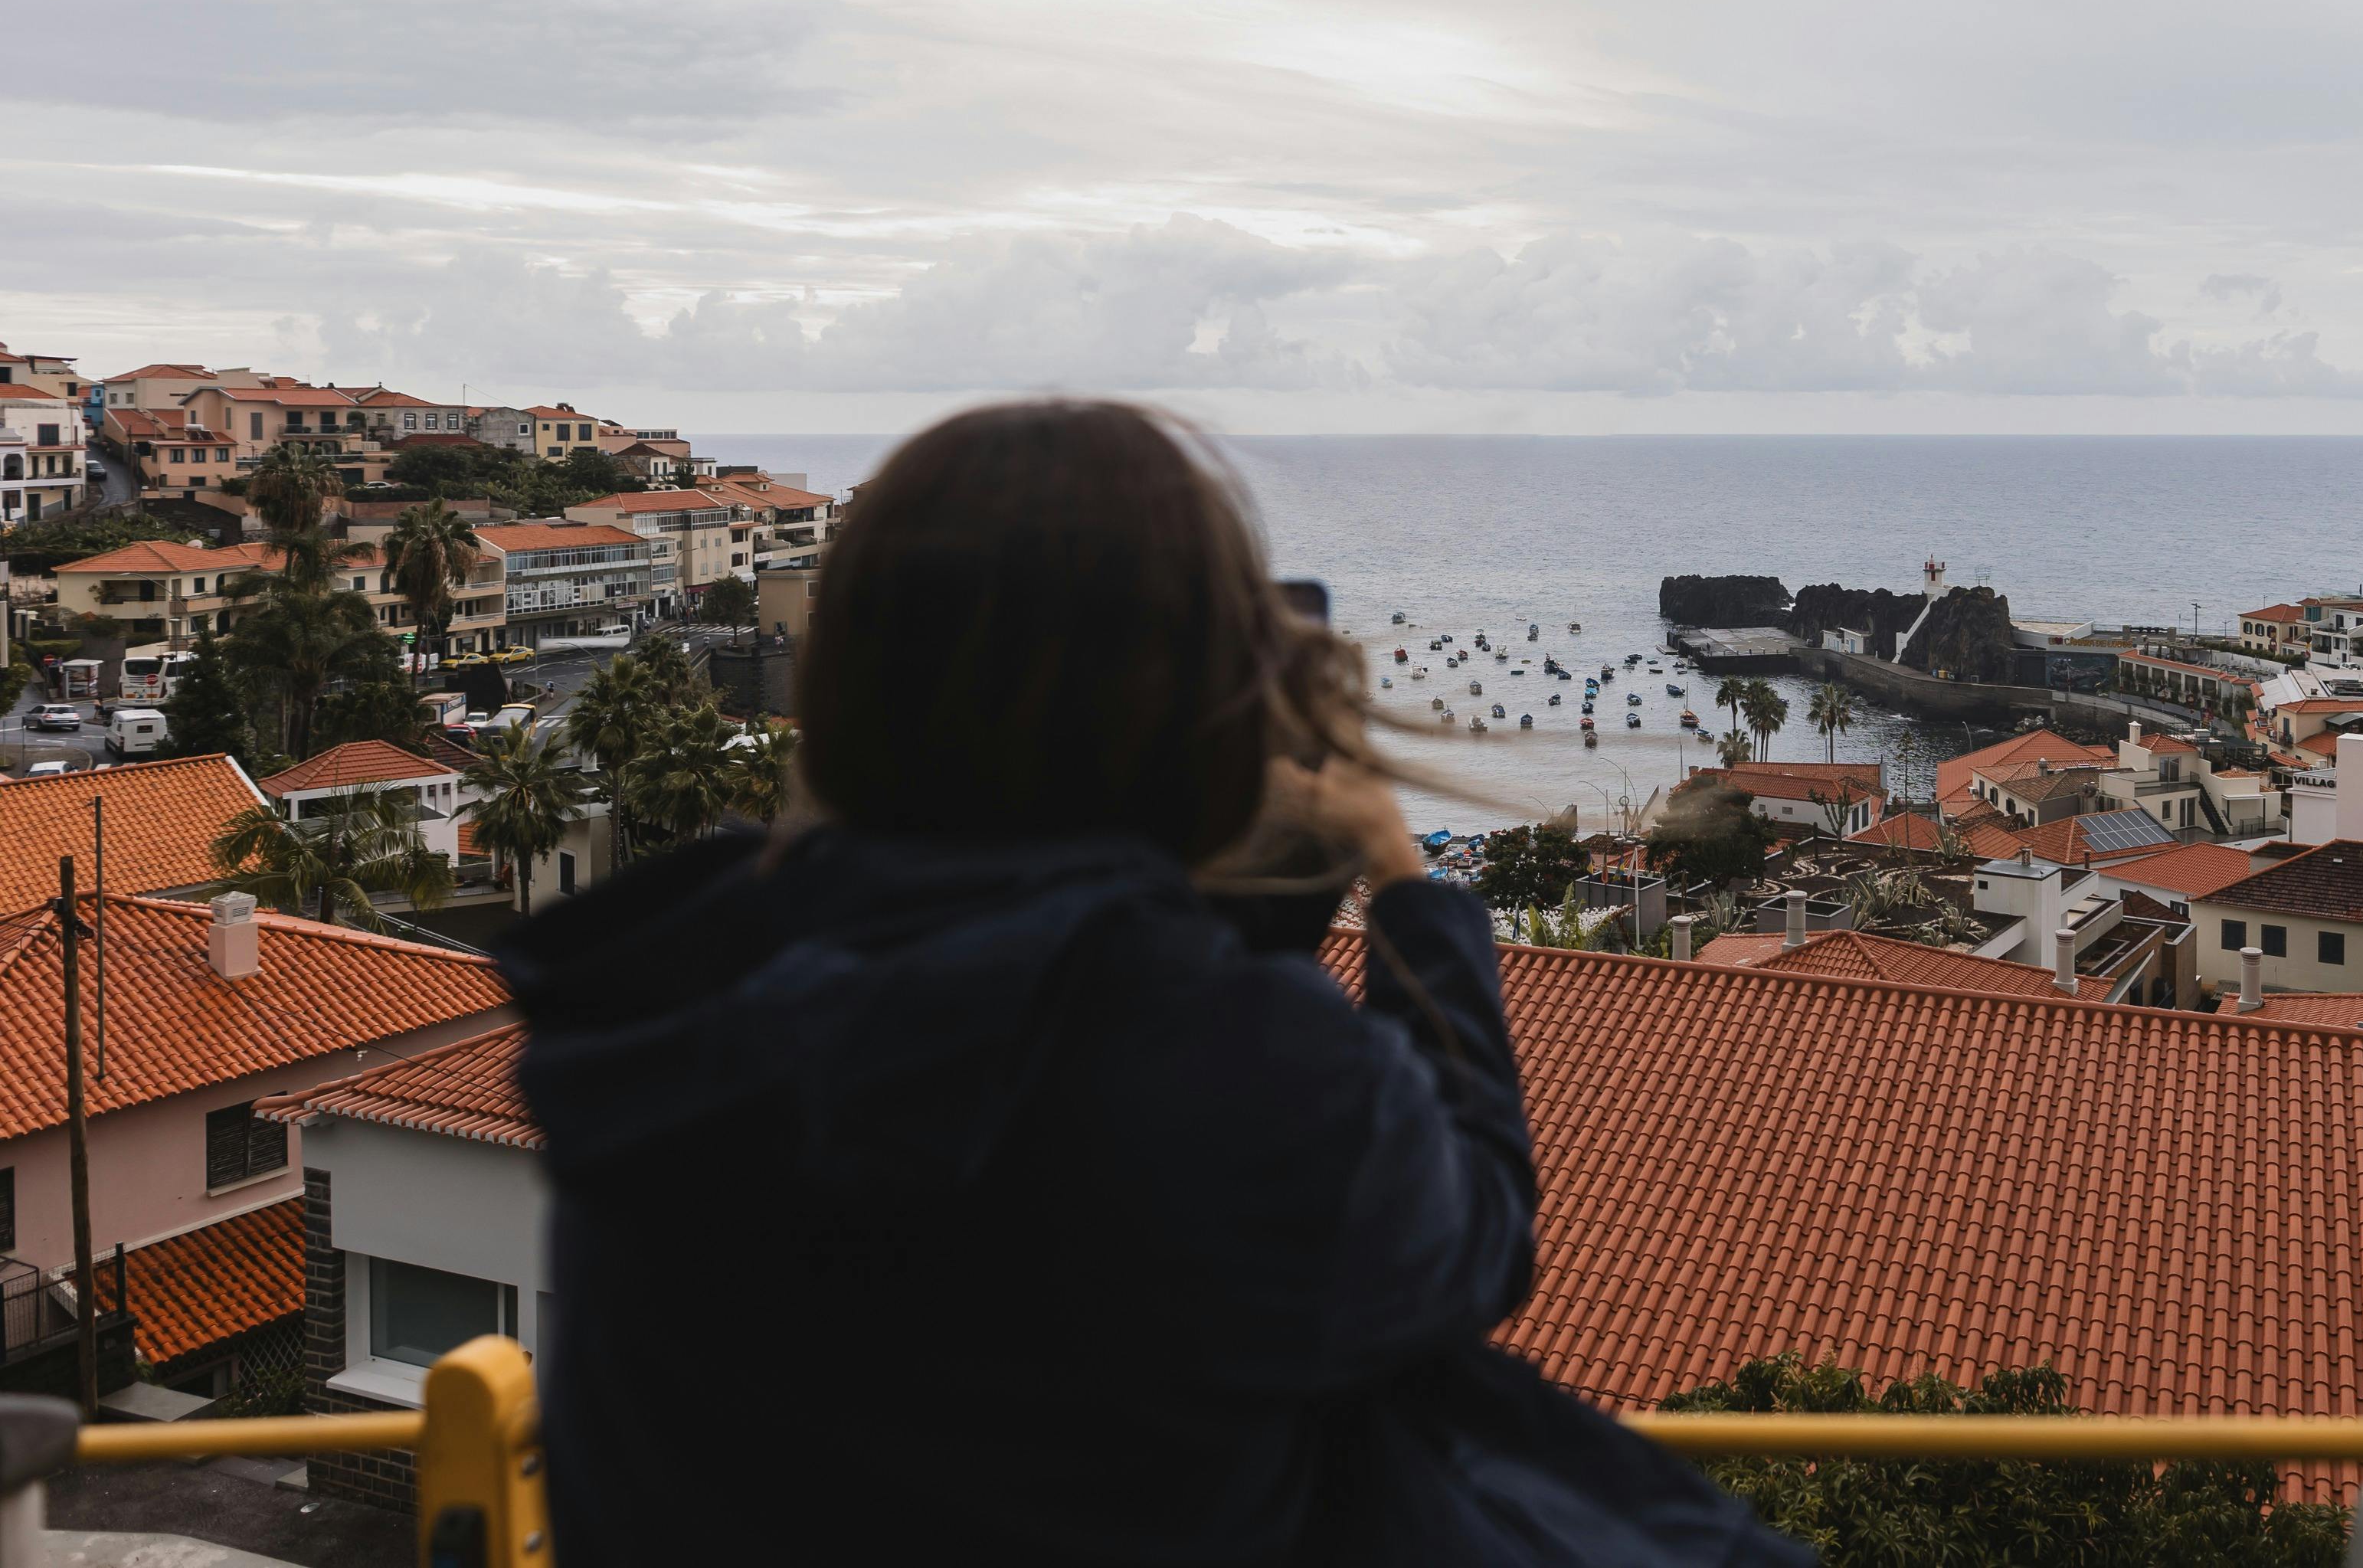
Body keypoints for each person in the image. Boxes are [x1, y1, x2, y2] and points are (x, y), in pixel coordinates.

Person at [503, 401, 1806, 1566]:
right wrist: (1403, 886)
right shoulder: (1215, 1056)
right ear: (1192, 713)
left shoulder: (664, 1002)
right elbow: (1471, 1239)